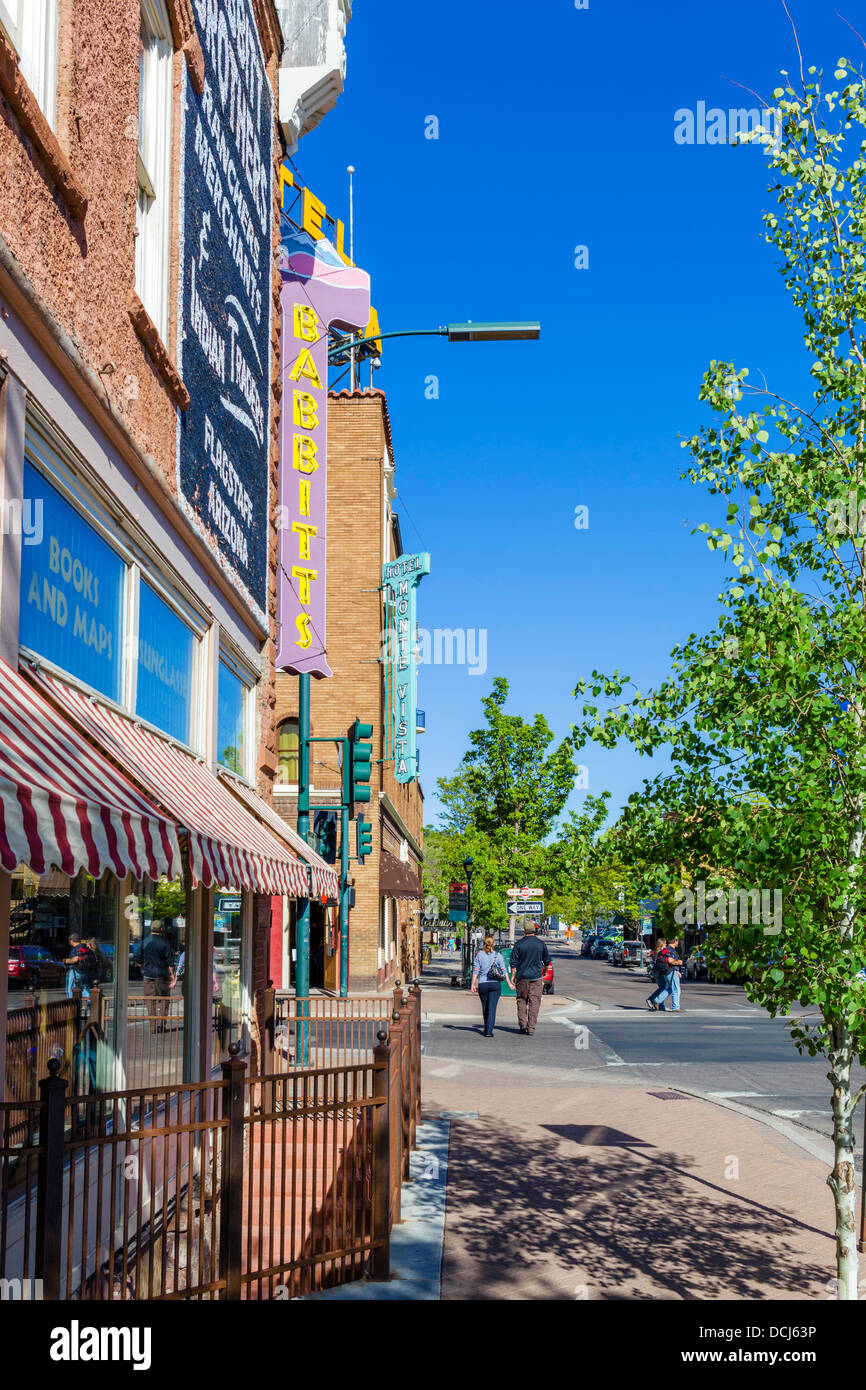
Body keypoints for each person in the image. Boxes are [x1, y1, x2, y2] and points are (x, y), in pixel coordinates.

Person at [510, 919, 551, 1035]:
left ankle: (522, 1024)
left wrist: (513, 976)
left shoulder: (519, 945)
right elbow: (547, 961)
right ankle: (531, 1027)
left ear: (524, 931)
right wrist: (544, 972)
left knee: (521, 1000)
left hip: (522, 977)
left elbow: (513, 963)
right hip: (536, 978)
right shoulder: (541, 944)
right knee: (535, 1002)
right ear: (534, 930)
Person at [470, 933, 512, 1037]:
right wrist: (509, 983)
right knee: (492, 1008)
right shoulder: (498, 955)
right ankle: (489, 1031)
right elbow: (504, 970)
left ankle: (486, 1027)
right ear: (493, 944)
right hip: (495, 984)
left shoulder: (479, 955)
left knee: (485, 1007)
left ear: (484, 944)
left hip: (483, 984)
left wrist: (473, 984)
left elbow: (476, 971)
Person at [140, 920, 176, 1032]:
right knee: (164, 1000)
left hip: (148, 976)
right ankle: (162, 1024)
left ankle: (153, 1026)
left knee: (150, 1001)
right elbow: (170, 962)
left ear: (151, 929)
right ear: (161, 929)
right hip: (162, 976)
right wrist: (172, 976)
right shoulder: (165, 943)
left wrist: (143, 970)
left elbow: (138, 959)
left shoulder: (145, 942)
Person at [653, 936, 684, 1012]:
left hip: (668, 971)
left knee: (670, 988)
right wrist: (679, 962)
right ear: (675, 941)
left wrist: (677, 970)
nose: (678, 942)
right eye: (678, 941)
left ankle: (658, 1000)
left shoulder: (668, 949)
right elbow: (670, 961)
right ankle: (676, 1007)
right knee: (676, 989)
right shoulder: (670, 950)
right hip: (671, 971)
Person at [64, 933, 96, 1000]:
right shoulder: (86, 948)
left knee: (72, 988)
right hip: (86, 971)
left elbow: (75, 959)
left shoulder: (75, 949)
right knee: (85, 988)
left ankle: (72, 1004)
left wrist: (65, 960)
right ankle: (90, 1003)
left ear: (72, 940)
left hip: (76, 971)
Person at [646, 937, 670, 1011]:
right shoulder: (661, 952)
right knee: (664, 989)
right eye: (665, 943)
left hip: (655, 972)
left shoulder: (656, 952)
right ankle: (651, 999)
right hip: (660, 972)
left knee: (662, 988)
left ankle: (661, 1006)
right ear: (662, 944)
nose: (666, 944)